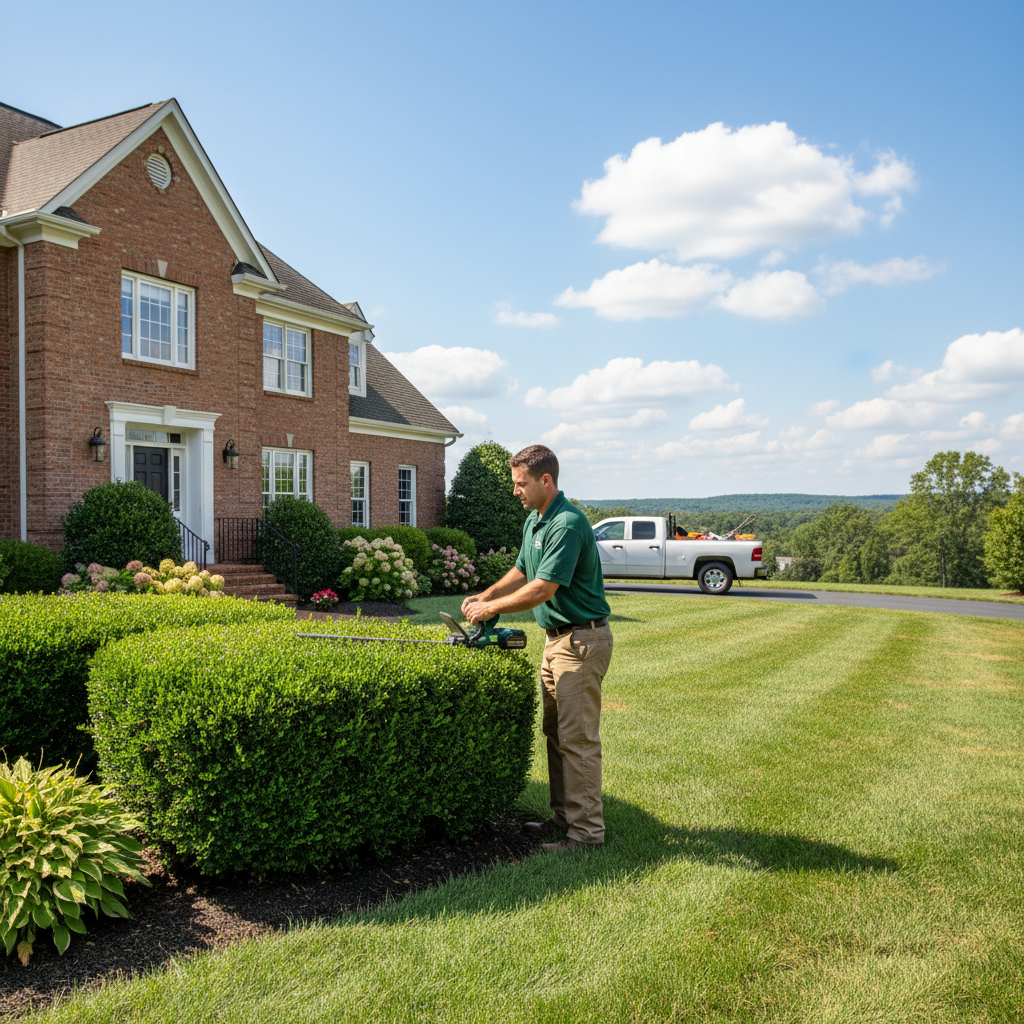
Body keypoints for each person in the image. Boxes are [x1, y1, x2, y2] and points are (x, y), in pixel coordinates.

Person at [461, 444, 613, 852]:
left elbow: (543, 588)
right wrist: (486, 594)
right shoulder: (536, 520)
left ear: (546, 480)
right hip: (556, 642)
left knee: (577, 739)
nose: (515, 491)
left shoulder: (567, 524)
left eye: (520, 483)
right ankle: (564, 819)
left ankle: (586, 836)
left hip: (581, 641)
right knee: (555, 733)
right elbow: (523, 570)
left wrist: (491, 608)